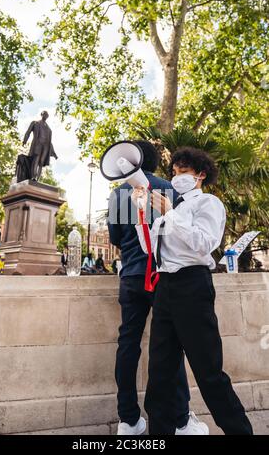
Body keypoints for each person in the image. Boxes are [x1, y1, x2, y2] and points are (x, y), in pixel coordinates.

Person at [132, 146, 253, 435]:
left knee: (209, 373)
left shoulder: (208, 204)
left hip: (193, 287)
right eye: (174, 171)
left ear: (200, 174)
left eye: (183, 171)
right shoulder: (172, 211)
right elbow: (150, 247)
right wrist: (140, 212)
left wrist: (170, 214)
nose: (176, 176)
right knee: (159, 375)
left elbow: (203, 243)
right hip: (165, 290)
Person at [107, 141, 208, 436]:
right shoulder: (168, 187)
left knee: (128, 344)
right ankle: (180, 420)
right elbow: (180, 229)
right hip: (162, 276)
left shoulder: (117, 194)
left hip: (130, 278)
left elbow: (114, 237)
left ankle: (128, 420)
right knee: (169, 347)